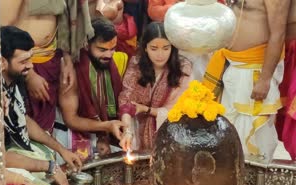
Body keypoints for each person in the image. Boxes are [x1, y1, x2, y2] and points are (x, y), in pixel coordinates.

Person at [202, 0, 291, 164]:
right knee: (228, 127)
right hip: (232, 66)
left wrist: (264, 80)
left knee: (252, 133)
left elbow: (278, 34)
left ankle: (255, 183)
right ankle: (231, 181)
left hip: (255, 72)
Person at [1, 26, 82, 185]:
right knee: (41, 184)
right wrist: (49, 166)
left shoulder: (14, 79)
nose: (30, 66)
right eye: (23, 62)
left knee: (48, 153)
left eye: (30, 59)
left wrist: (62, 150)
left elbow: (23, 120)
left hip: (10, 151)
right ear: (2, 62)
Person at [0, 0, 75, 133]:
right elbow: (3, 31)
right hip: (21, 66)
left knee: (46, 131)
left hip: (51, 60)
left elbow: (62, 18)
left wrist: (67, 60)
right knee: (23, 126)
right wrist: (30, 74)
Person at [58, 17, 128, 158]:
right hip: (72, 139)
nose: (109, 55)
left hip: (105, 135)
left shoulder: (110, 65)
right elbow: (71, 119)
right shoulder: (71, 72)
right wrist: (106, 127)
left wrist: (106, 133)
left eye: (112, 49)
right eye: (102, 49)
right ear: (86, 44)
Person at [119, 22, 193, 151]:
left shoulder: (182, 68)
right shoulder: (136, 65)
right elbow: (126, 102)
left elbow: (179, 109)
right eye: (154, 48)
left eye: (166, 48)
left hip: (171, 132)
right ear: (145, 47)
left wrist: (146, 109)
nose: (160, 54)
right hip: (138, 130)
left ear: (173, 47)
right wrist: (127, 132)